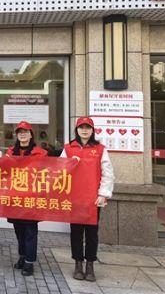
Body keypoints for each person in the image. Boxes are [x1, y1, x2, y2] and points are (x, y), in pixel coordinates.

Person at [60, 116, 114, 282]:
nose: (84, 130)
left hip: (93, 199)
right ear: (76, 130)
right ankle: (78, 264)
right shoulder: (68, 148)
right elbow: (59, 170)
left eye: (87, 127)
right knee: (76, 232)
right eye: (81, 127)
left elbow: (108, 173)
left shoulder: (100, 149)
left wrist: (103, 194)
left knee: (92, 233)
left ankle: (90, 264)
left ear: (92, 130)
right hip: (74, 198)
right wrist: (69, 163)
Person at [5, 121, 47, 277]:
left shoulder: (41, 153)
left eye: (25, 132)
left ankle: (29, 261)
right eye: (20, 132)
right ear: (16, 135)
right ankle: (22, 256)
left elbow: (46, 173)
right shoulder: (10, 152)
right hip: (15, 197)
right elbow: (4, 170)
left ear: (31, 134)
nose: (22, 134)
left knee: (30, 230)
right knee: (18, 230)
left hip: (31, 198)